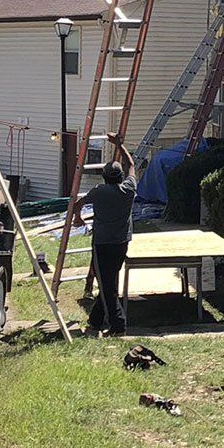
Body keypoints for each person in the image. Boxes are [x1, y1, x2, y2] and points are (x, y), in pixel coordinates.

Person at [87, 140, 138, 336]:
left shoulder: (99, 191)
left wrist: (76, 218)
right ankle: (95, 319)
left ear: (104, 177)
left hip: (101, 244)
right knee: (108, 282)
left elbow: (78, 202)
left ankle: (118, 325)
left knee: (107, 285)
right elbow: (131, 164)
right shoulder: (128, 190)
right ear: (121, 176)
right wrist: (119, 145)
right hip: (121, 244)